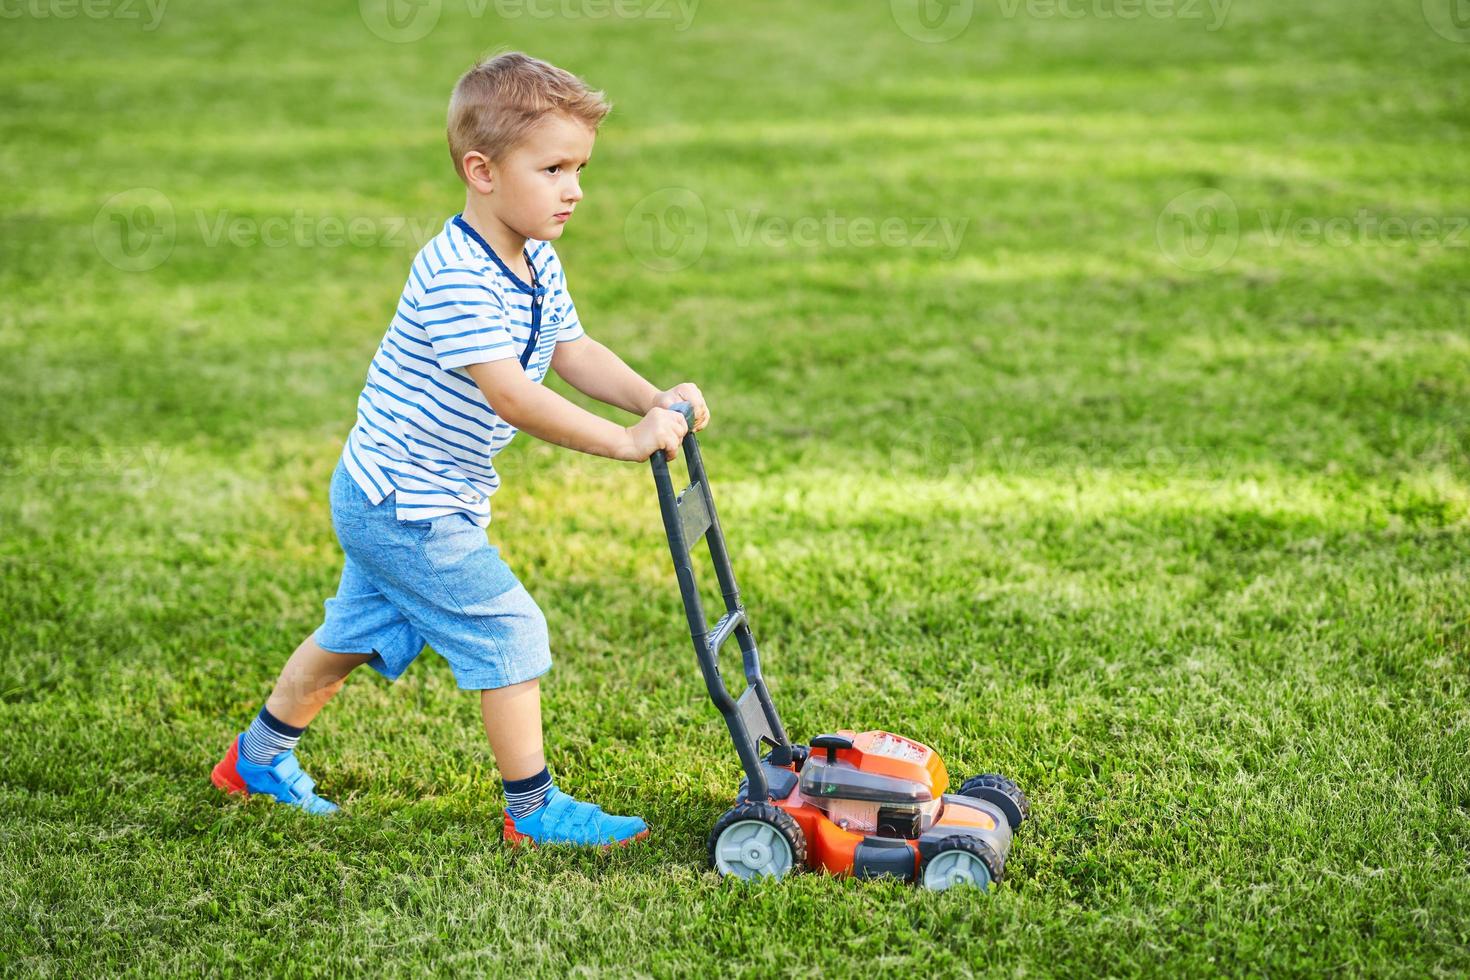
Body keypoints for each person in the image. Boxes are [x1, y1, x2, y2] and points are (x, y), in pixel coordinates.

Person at [210, 51, 709, 848]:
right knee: (510, 631)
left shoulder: (536, 257)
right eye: (552, 168)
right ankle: (533, 811)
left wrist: (652, 399)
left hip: (398, 491)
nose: (574, 188)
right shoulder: (455, 276)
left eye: (580, 168)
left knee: (357, 633)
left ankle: (255, 760)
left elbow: (570, 350)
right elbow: (511, 392)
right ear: (481, 170)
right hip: (405, 500)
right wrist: (624, 442)